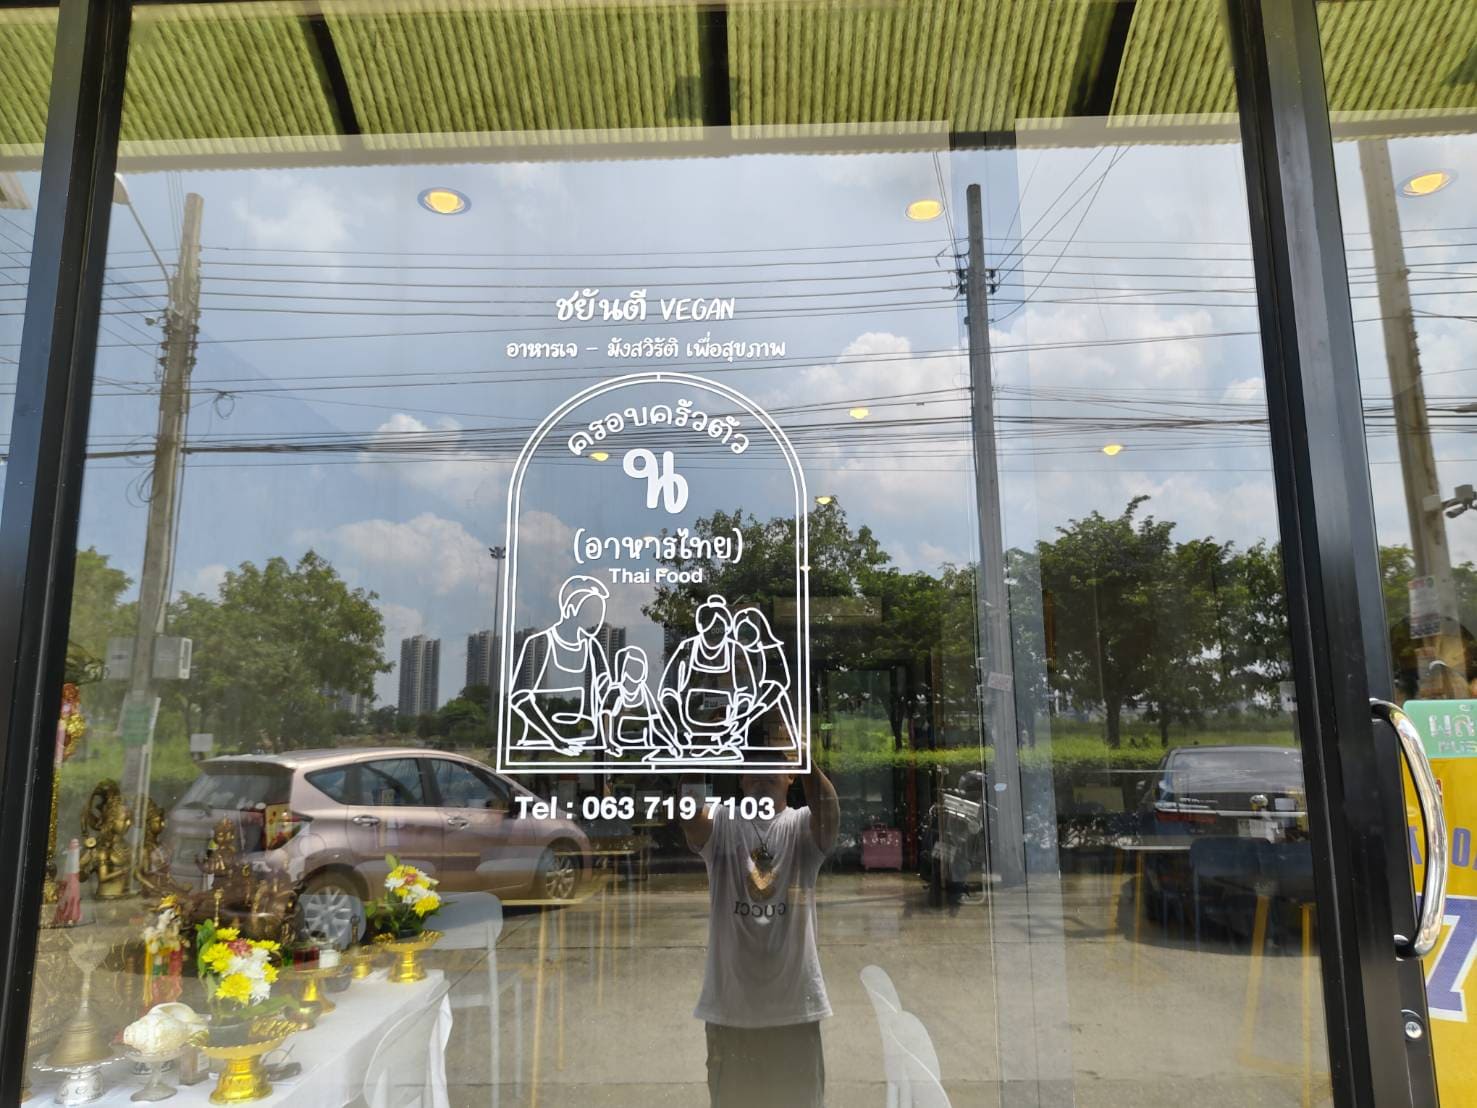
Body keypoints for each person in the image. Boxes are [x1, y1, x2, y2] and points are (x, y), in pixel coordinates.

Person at [680, 718, 839, 1108]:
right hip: (730, 1014)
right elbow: (689, 815)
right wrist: (700, 746)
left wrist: (804, 755)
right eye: (753, 764)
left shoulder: (801, 827)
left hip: (795, 1013)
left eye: (774, 764)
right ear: (740, 777)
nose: (763, 772)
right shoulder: (723, 822)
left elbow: (829, 813)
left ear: (790, 776)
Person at [509, 575, 612, 755]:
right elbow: (520, 700)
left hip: (582, 742)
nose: (597, 623)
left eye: (599, 616)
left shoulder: (592, 646)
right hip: (541, 744)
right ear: (570, 610)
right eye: (589, 617)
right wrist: (556, 740)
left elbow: (602, 697)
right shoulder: (540, 642)